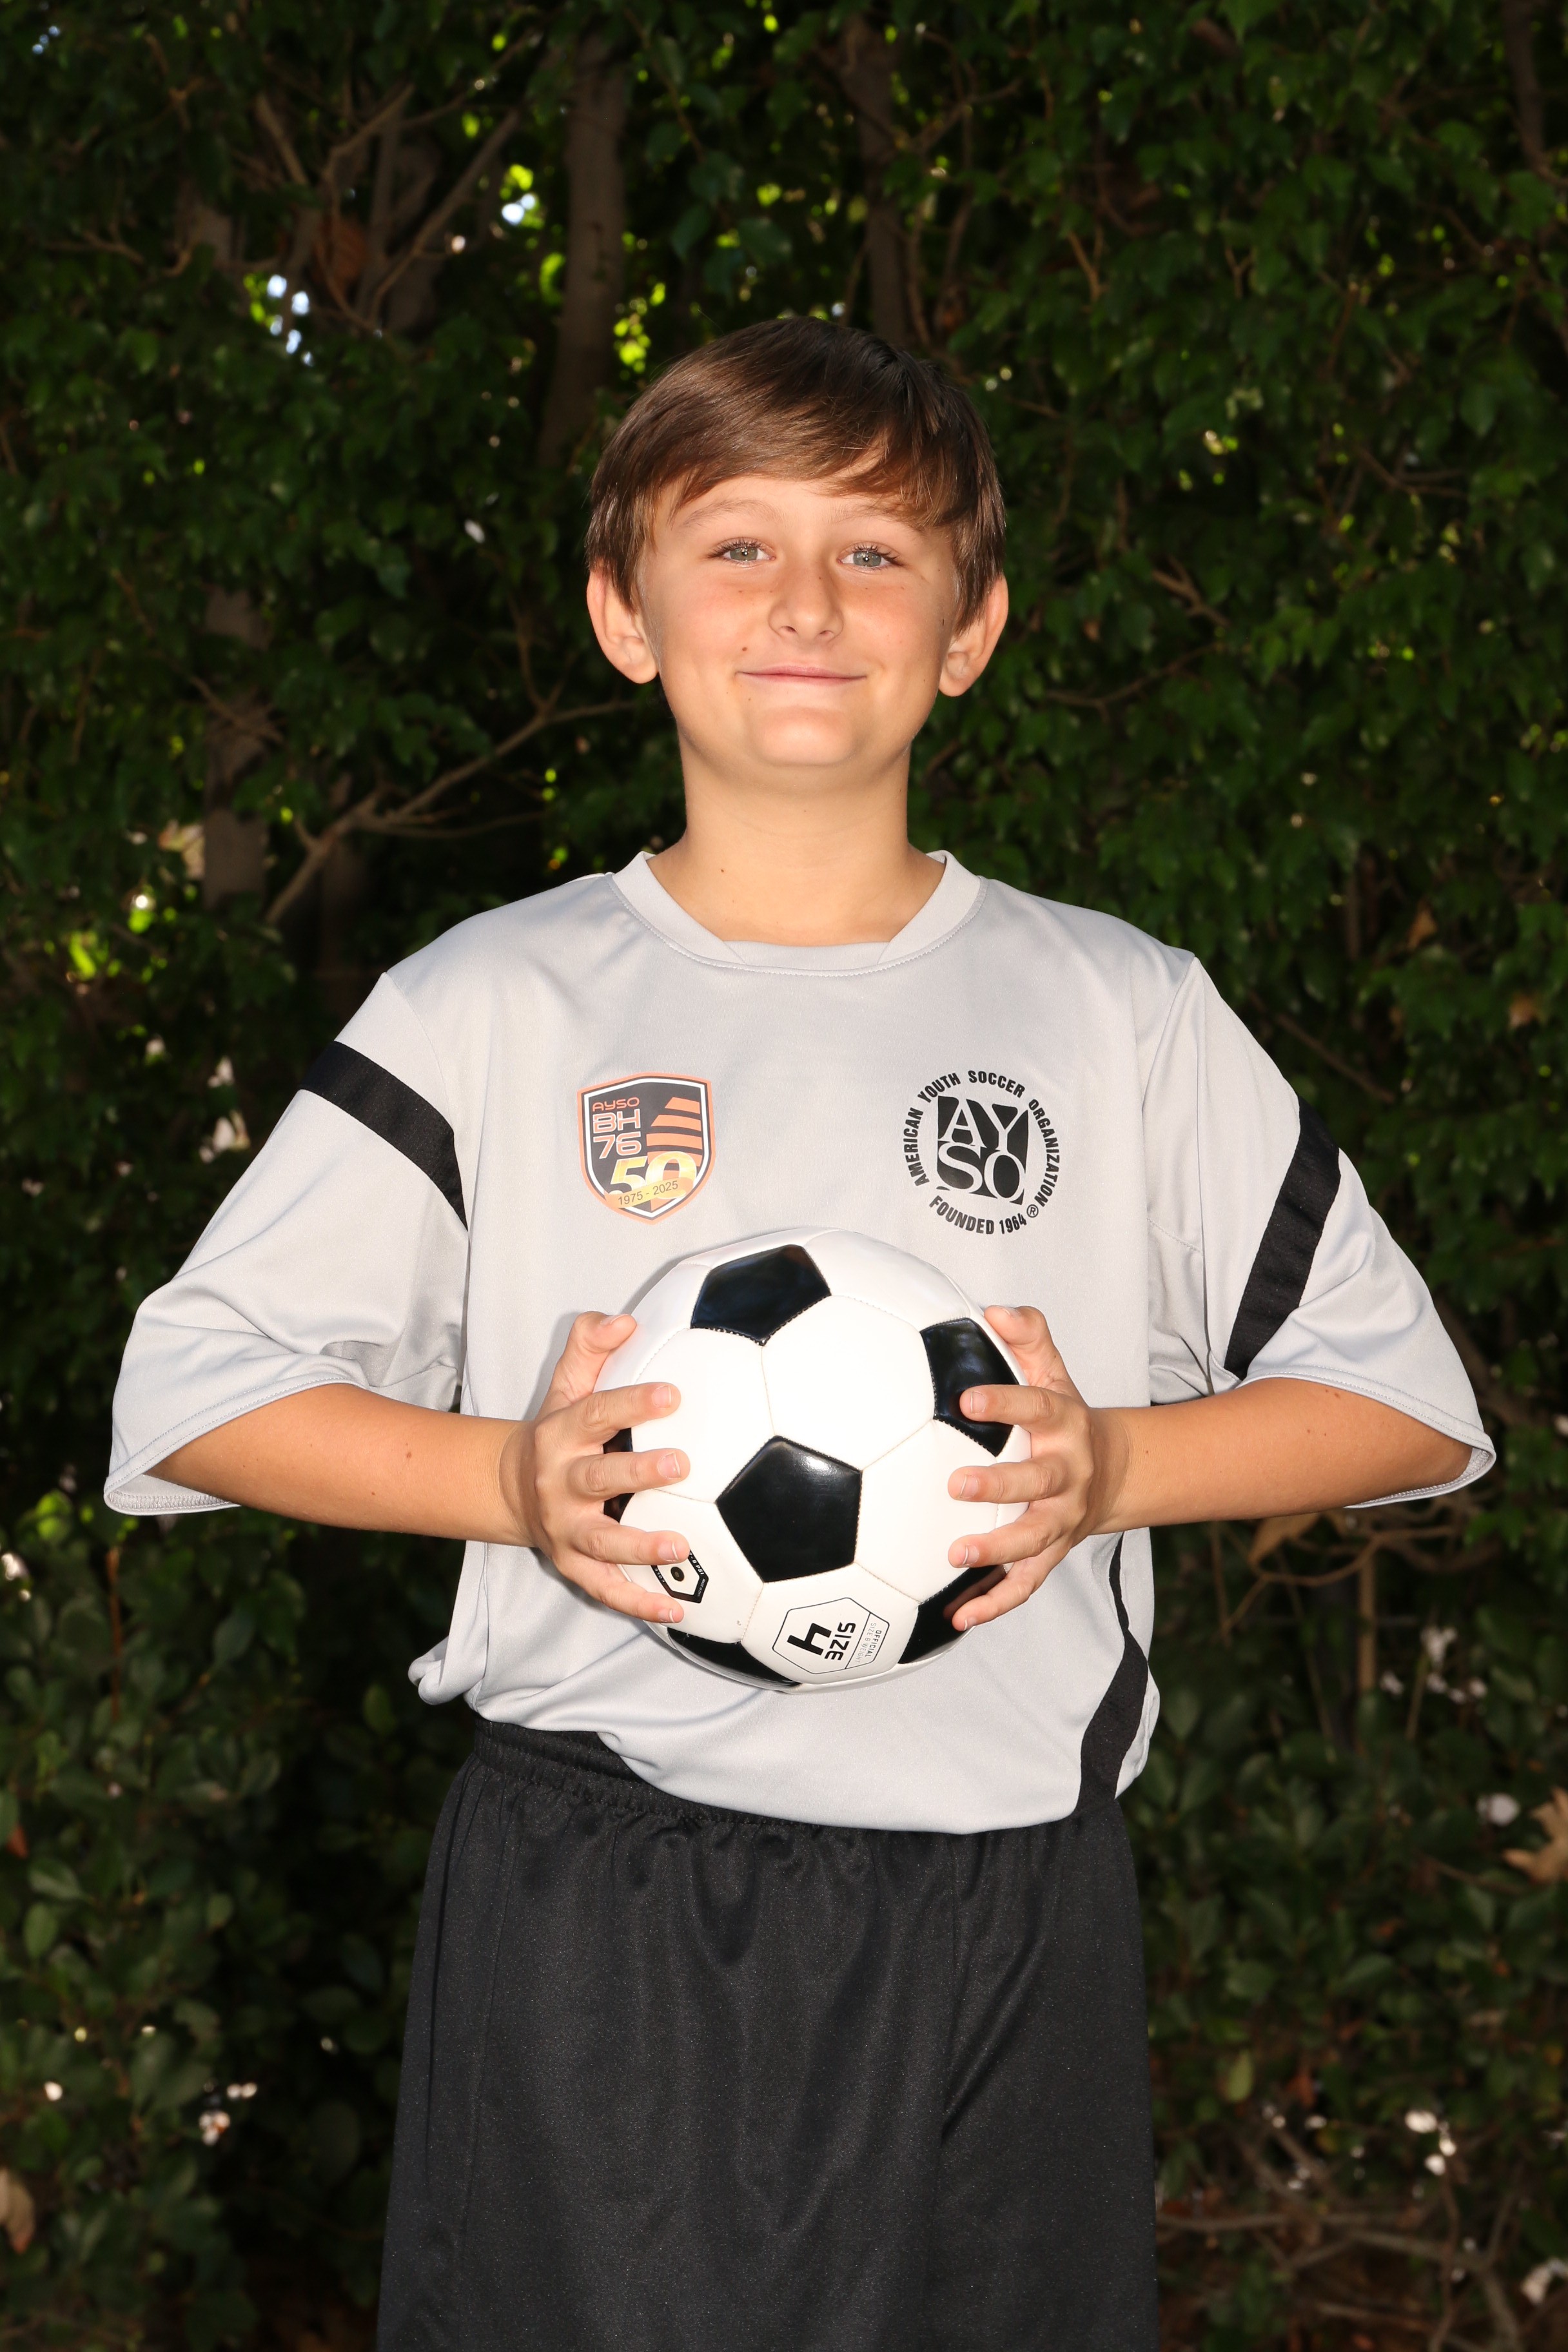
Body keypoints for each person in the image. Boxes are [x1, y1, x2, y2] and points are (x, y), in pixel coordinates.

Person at [107, 320, 1489, 2352]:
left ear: (973, 629)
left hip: (1013, 1912)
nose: (809, 604)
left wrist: (1119, 1462)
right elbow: (194, 1389)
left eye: (877, 553)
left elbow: (1406, 1403)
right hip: (612, 1910)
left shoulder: (1119, 1011)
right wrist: (508, 1482)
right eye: (739, 545)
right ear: (624, 612)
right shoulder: (494, 1004)